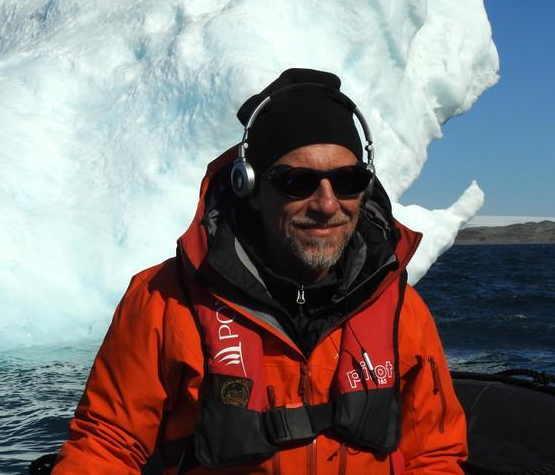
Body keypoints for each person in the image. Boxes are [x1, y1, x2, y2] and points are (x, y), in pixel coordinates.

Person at [51, 69, 468, 474]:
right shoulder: (163, 302)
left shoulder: (401, 311)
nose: (326, 204)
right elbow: (106, 447)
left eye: (347, 180)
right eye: (297, 182)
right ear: (249, 188)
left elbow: (434, 456)